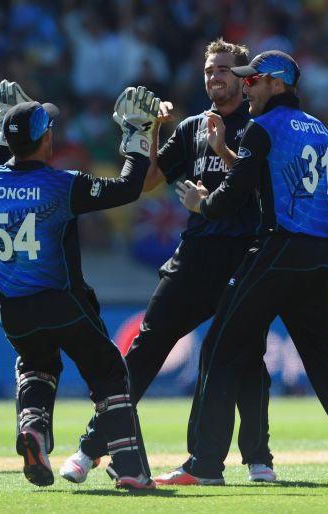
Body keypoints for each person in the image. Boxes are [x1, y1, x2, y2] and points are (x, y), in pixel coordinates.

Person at [170, 50, 328, 484]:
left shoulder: (262, 128)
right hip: (319, 256)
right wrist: (225, 150)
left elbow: (233, 197)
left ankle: (202, 466)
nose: (246, 87)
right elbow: (277, 183)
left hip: (278, 249)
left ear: (276, 84)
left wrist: (200, 204)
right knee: (324, 359)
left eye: (253, 81)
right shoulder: (321, 129)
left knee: (219, 347)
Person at [63, 38, 276, 486]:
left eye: (223, 70)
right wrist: (156, 129)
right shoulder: (193, 126)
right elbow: (149, 182)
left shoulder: (260, 126)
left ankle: (259, 459)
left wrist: (221, 155)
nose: (213, 77)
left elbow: (260, 189)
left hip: (245, 254)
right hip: (197, 253)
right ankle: (91, 448)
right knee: (146, 345)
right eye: (208, 71)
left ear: (242, 78)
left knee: (246, 356)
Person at [0, 81, 160, 489]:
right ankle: (130, 470)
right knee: (109, 374)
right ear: (45, 139)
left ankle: (34, 432)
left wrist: (6, 126)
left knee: (37, 367)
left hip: (12, 310)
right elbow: (128, 188)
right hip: (60, 301)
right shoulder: (61, 185)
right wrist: (139, 135)